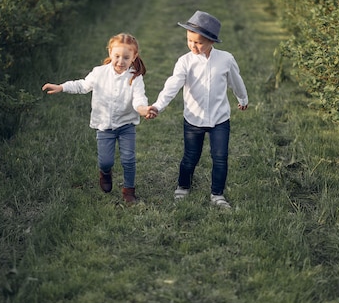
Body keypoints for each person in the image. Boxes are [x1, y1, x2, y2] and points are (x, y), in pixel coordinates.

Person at [147, 11, 248, 208]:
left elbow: (236, 81)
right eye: (189, 40)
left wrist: (242, 98)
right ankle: (183, 186)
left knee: (220, 157)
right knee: (190, 156)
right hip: (193, 119)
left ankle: (217, 194)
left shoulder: (225, 59)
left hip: (220, 119)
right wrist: (158, 106)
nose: (193, 45)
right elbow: (172, 86)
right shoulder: (185, 61)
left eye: (198, 42)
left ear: (212, 41)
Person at [42, 33, 149, 204]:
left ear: (134, 57)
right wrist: (61, 87)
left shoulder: (135, 77)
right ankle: (105, 173)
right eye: (117, 56)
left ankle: (129, 190)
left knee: (128, 159)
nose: (121, 61)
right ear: (110, 52)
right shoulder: (99, 73)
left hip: (126, 125)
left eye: (126, 58)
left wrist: (143, 109)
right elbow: (82, 85)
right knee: (105, 161)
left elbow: (139, 98)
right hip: (104, 126)